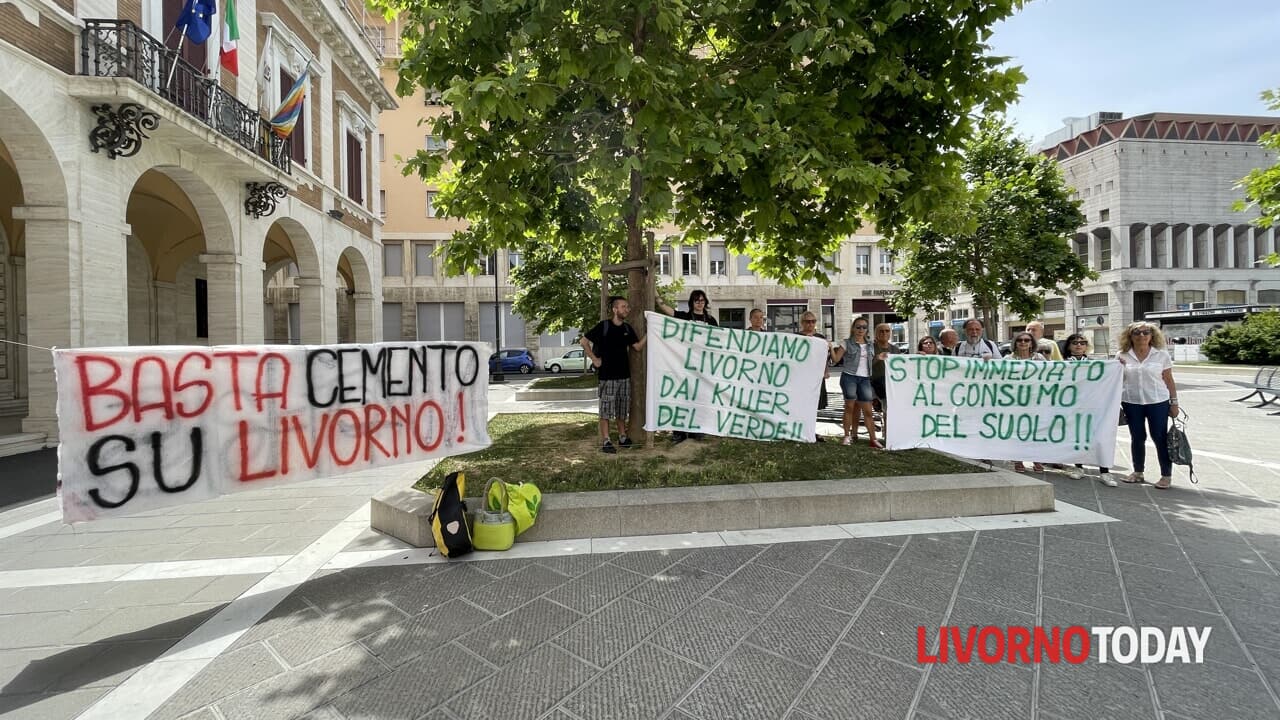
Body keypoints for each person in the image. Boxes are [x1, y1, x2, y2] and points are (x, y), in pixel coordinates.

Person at [1118, 321, 1181, 489]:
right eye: (1137, 333)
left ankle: (1166, 475)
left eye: (1146, 332)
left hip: (1157, 401)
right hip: (1132, 402)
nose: (1141, 336)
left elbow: (1168, 379)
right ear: (1130, 336)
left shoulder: (1161, 355)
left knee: (1159, 437)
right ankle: (1138, 472)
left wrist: (1174, 403)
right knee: (1137, 437)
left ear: (1152, 335)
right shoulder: (1122, 355)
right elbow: (1116, 381)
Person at [581, 296, 646, 454]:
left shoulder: (627, 329)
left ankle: (622, 437)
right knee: (605, 410)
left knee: (622, 410)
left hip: (624, 377)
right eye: (624, 307)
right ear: (615, 309)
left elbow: (637, 347)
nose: (627, 309)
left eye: (627, 307)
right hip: (607, 377)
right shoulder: (604, 326)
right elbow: (584, 341)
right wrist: (594, 359)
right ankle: (606, 440)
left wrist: (650, 333)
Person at [659, 290, 716, 443]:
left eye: (702, 300)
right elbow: (667, 310)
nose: (700, 303)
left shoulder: (711, 320)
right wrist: (657, 296)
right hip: (684, 366)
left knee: (700, 398)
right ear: (692, 302)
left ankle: (697, 429)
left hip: (703, 368)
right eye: (697, 301)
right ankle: (679, 431)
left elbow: (718, 342)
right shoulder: (684, 317)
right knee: (682, 398)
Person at [1062, 333, 1118, 487]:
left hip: (1094, 406)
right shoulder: (1062, 364)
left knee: (1100, 438)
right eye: (1074, 343)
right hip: (1072, 407)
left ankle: (1104, 471)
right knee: (1077, 437)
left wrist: (1118, 365)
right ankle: (1078, 467)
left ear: (1087, 346)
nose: (1078, 345)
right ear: (1069, 346)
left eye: (1082, 342)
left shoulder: (1096, 364)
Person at [831, 318, 878, 447]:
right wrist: (830, 347)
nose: (861, 330)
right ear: (853, 328)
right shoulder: (846, 343)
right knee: (849, 407)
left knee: (868, 410)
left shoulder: (870, 344)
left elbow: (870, 362)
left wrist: (878, 358)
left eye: (864, 327)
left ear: (867, 330)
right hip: (849, 377)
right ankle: (847, 436)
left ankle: (873, 439)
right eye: (858, 327)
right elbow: (836, 359)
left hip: (865, 379)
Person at [1006, 331, 1046, 473]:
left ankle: (1036, 459)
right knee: (1018, 431)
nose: (1023, 342)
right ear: (1015, 343)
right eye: (1020, 340)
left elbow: (1049, 374)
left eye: (1026, 340)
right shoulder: (1008, 359)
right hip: (1015, 402)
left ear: (1031, 343)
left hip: (1035, 400)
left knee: (1035, 430)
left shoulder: (1039, 358)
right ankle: (1018, 460)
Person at [797, 311, 833, 441]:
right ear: (802, 323)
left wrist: (826, 370)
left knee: (814, 405)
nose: (810, 324)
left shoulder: (820, 338)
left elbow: (824, 357)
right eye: (807, 321)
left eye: (813, 321)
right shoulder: (795, 337)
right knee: (800, 404)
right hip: (801, 378)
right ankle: (800, 430)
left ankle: (811, 431)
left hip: (816, 378)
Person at [870, 323, 899, 445]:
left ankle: (888, 437)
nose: (884, 333)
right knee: (867, 410)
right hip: (871, 384)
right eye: (881, 331)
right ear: (876, 333)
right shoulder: (870, 348)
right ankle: (870, 437)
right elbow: (863, 366)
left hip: (889, 385)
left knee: (889, 411)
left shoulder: (895, 349)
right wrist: (877, 358)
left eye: (887, 331)